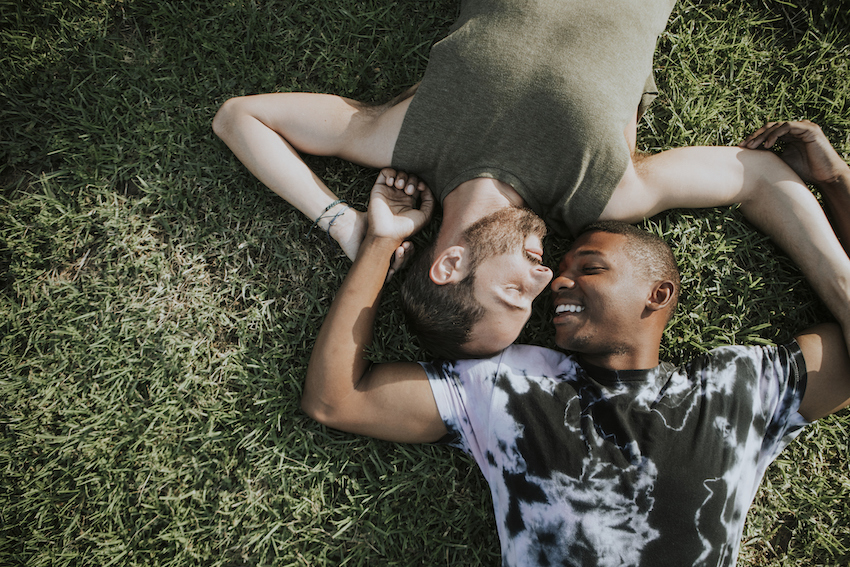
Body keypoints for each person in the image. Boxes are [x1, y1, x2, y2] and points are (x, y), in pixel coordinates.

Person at [301, 121, 850, 566]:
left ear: (658, 294)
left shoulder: (739, 392)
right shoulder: (505, 384)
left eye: (589, 269)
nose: (556, 282)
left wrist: (837, 186)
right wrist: (382, 243)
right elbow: (336, 399)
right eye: (557, 270)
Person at [213, 0, 850, 359]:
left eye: (516, 295)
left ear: (449, 262)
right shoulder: (603, 194)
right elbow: (759, 176)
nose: (546, 279)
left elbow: (240, 117)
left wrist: (348, 226)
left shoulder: (404, 138)